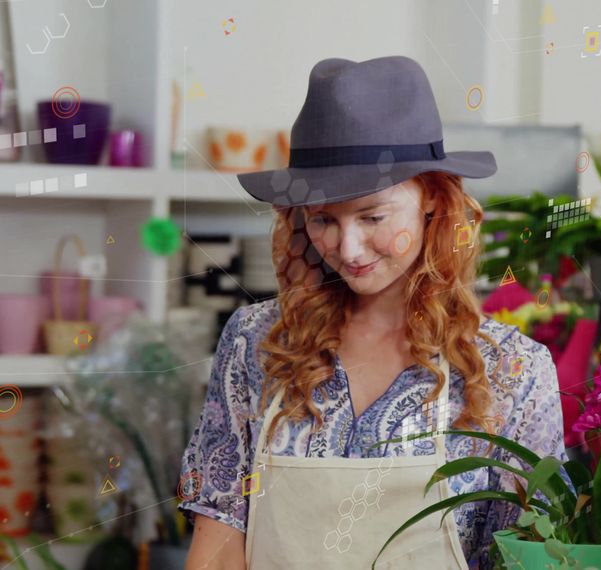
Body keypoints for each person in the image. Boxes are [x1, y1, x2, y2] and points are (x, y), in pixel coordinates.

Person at [179, 56, 567, 569]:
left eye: (372, 216)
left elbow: (529, 554)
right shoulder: (258, 342)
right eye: (324, 220)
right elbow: (220, 540)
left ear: (430, 196)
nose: (349, 248)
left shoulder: (511, 369)